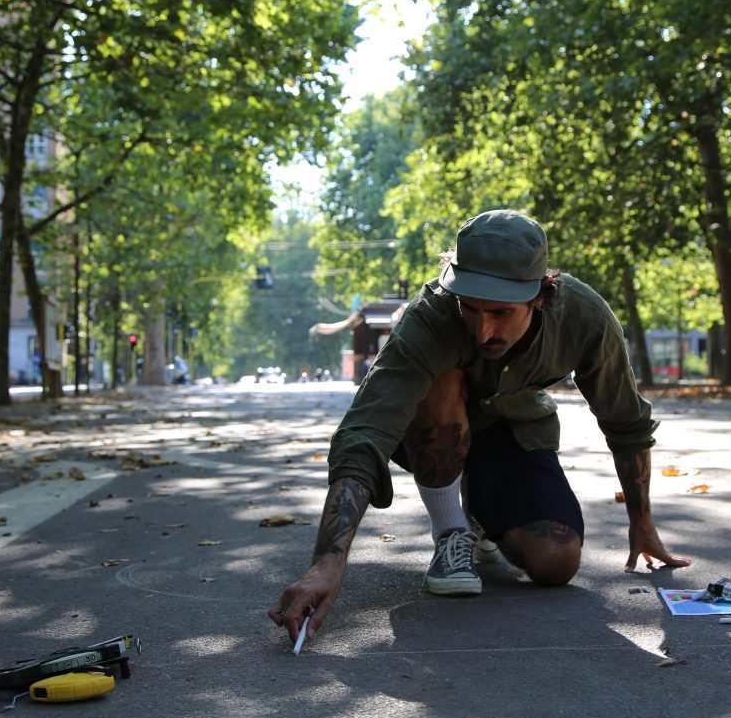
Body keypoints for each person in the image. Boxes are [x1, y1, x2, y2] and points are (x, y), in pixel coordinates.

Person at [269, 210, 691, 646]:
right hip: (433, 430)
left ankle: (482, 515)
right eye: (469, 308)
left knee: (556, 561)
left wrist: (641, 521)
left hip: (515, 429)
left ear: (540, 297)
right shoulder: (430, 316)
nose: (483, 331)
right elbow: (366, 430)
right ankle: (451, 531)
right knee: (441, 377)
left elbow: (626, 421)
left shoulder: (585, 318)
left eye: (501, 312)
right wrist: (327, 562)